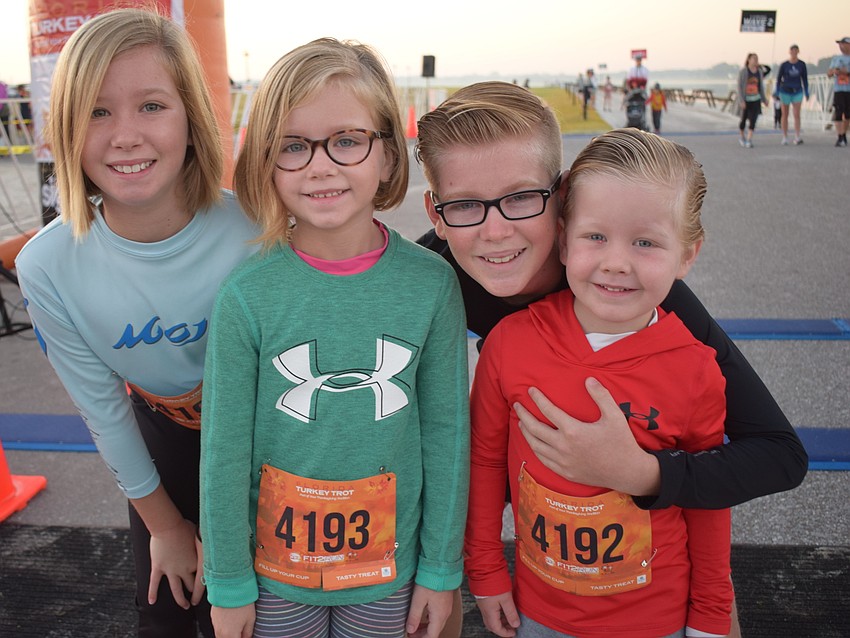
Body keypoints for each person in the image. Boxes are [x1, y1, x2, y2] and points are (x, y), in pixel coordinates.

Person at [415, 80, 807, 637]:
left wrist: (640, 472)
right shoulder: (427, 274)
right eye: (465, 205)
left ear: (564, 195)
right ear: (438, 213)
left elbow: (778, 455)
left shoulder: (630, 286)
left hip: (636, 528)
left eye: (522, 196)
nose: (495, 229)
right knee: (433, 523)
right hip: (528, 480)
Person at [199, 38, 470, 638]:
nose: (321, 165)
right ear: (264, 161)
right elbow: (222, 454)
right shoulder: (247, 295)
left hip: (391, 576)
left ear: (388, 155)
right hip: (274, 580)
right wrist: (228, 582)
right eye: (293, 146)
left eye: (347, 140)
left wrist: (441, 570)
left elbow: (448, 439)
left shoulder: (431, 286)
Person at [14, 8, 261, 636]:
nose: (125, 135)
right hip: (164, 441)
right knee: (168, 613)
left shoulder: (257, 232)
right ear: (66, 129)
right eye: (98, 112)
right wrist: (167, 526)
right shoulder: (47, 264)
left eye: (151, 105)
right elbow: (105, 409)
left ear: (191, 120)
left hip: (271, 439)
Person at [465, 127, 732, 638]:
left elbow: (708, 497)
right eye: (595, 236)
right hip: (538, 612)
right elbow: (484, 461)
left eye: (646, 242)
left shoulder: (696, 370)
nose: (616, 262)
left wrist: (712, 615)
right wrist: (484, 570)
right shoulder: (510, 344)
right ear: (563, 240)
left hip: (657, 617)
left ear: (688, 255)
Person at [775, 45, 809, 145]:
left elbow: (805, 79)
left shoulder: (801, 64)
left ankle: (797, 136)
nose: (794, 52)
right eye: (792, 50)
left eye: (796, 50)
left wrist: (806, 92)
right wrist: (777, 92)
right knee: (785, 114)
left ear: (798, 51)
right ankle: (785, 136)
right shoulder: (784, 65)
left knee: (796, 114)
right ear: (789, 52)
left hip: (797, 91)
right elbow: (778, 79)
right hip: (785, 91)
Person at [736, 53, 768, 148]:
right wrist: (741, 100)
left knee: (753, 120)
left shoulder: (759, 72)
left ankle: (749, 139)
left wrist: (764, 99)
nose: (755, 60)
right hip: (746, 100)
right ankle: (742, 137)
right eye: (754, 59)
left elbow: (761, 86)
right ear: (748, 60)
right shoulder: (743, 72)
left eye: (757, 59)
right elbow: (739, 87)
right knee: (743, 120)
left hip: (756, 99)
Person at [827, 36, 850, 147]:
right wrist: (834, 72)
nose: (841, 46)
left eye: (843, 44)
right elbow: (829, 73)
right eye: (839, 44)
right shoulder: (836, 59)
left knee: (848, 114)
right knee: (839, 112)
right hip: (839, 89)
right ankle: (840, 136)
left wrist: (846, 72)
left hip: (849, 90)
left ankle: (844, 135)